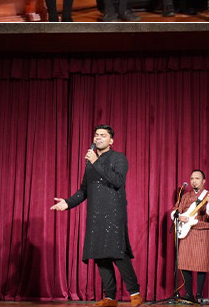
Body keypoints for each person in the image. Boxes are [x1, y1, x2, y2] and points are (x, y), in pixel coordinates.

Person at [48, 125, 142, 307]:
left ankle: (135, 293)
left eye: (103, 135)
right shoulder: (90, 164)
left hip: (113, 213)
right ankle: (110, 297)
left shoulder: (118, 158)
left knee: (117, 252)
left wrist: (95, 162)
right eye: (96, 135)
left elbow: (118, 181)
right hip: (95, 214)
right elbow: (84, 190)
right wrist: (67, 203)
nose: (98, 138)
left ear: (111, 141)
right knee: (99, 255)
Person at [169, 170, 209, 303]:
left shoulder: (208, 195)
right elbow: (175, 211)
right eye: (192, 178)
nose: (194, 181)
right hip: (186, 233)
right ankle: (189, 294)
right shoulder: (184, 196)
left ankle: (199, 295)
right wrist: (179, 216)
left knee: (201, 265)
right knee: (185, 264)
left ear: (204, 181)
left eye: (197, 178)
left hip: (201, 232)